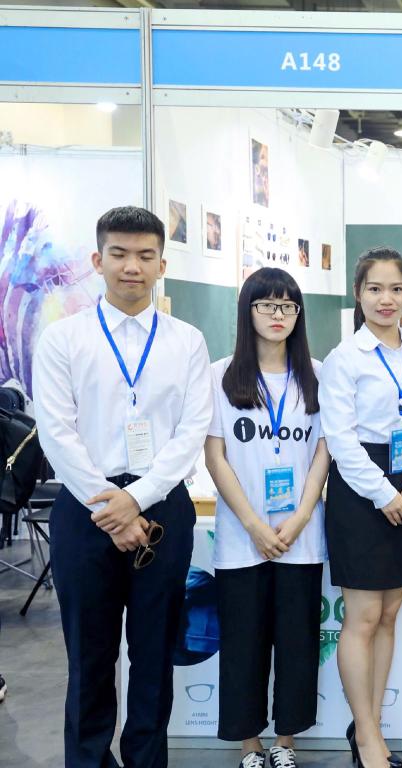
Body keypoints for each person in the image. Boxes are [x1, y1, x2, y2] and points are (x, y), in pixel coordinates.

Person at [33, 206, 212, 768]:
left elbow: (192, 430)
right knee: (89, 655)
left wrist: (137, 498)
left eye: (144, 255)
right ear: (98, 260)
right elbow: (56, 431)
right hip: (85, 508)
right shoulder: (63, 339)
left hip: (164, 508)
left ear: (162, 265)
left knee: (155, 654)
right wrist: (110, 505)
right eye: (119, 253)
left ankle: (146, 761)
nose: (131, 266)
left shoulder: (187, 341)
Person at [204, 267, 329, 768]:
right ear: (247, 310)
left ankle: (286, 742)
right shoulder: (219, 375)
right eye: (267, 304)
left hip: (301, 535)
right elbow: (216, 457)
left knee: (297, 643)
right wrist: (254, 525)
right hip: (242, 539)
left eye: (288, 306)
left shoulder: (316, 374)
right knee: (244, 644)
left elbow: (323, 451)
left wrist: (301, 516)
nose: (278, 315)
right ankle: (249, 745)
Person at [319, 247, 402, 768]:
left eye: (395, 289)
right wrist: (384, 494)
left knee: (391, 614)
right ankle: (367, 735)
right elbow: (341, 441)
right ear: (358, 294)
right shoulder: (345, 359)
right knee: (364, 616)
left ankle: (370, 724)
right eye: (374, 289)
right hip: (360, 490)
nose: (385, 299)